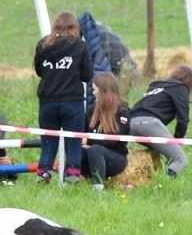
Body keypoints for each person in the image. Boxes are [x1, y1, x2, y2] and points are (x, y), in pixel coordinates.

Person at [33, 11, 93, 183]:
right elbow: (87, 76)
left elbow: (39, 72)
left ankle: (43, 174)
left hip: (47, 103)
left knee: (48, 143)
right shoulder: (79, 46)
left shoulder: (43, 44)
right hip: (72, 102)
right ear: (76, 28)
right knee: (73, 142)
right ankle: (72, 175)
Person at [125, 65, 191, 179]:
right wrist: (177, 141)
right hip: (149, 122)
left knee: (157, 152)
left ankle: (150, 179)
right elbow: (183, 119)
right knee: (180, 159)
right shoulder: (181, 87)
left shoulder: (158, 86)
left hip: (131, 122)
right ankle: (163, 184)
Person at [82, 73, 130, 190]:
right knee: (77, 150)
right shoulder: (92, 110)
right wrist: (83, 143)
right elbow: (82, 133)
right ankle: (72, 182)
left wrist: (88, 140)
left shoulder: (122, 112)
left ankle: (98, 189)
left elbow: (111, 141)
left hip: (115, 158)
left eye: (94, 89)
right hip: (92, 154)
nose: (92, 93)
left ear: (103, 91)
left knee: (95, 150)